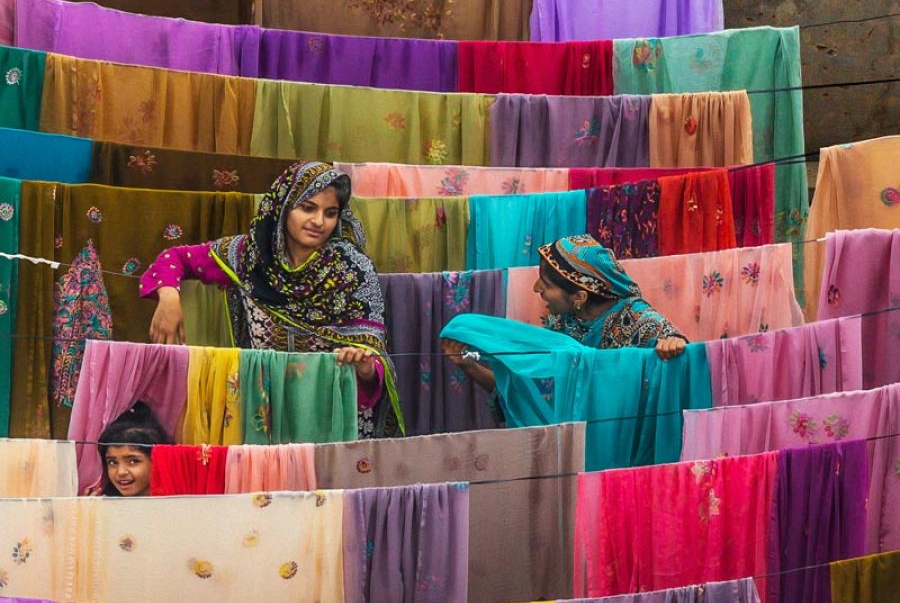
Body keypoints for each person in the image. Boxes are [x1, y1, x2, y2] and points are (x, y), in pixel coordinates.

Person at [141, 160, 402, 437]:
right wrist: (168, 298)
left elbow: (375, 358)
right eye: (308, 208)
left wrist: (363, 367)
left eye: (330, 213)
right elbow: (176, 258)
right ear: (283, 206)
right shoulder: (250, 256)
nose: (318, 222)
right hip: (263, 412)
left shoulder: (353, 270)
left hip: (332, 415)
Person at [443, 235, 686, 394]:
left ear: (579, 297)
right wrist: (470, 365)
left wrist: (674, 345)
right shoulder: (562, 323)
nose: (536, 288)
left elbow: (682, 356)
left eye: (546, 284)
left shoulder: (640, 322)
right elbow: (533, 394)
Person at [95, 402, 171, 497]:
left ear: (157, 461)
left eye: (133, 461)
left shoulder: (180, 503)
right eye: (112, 462)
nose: (121, 472)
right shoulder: (103, 507)